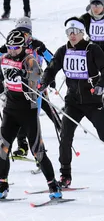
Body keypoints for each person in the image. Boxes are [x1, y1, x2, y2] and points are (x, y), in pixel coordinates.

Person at [40, 18, 104, 190]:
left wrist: (100, 85)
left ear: (82, 32)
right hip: (73, 103)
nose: (72, 35)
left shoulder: (92, 49)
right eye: (69, 32)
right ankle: (65, 175)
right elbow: (51, 69)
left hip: (93, 102)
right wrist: (42, 83)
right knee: (65, 137)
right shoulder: (63, 51)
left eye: (75, 31)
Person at [0, 29, 61, 200]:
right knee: (2, 147)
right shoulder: (4, 59)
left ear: (22, 47)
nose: (12, 51)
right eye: (9, 47)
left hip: (28, 109)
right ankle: (2, 184)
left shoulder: (30, 59)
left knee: (37, 150)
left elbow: (37, 80)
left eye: (15, 48)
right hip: (10, 110)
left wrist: (23, 76)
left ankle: (53, 185)